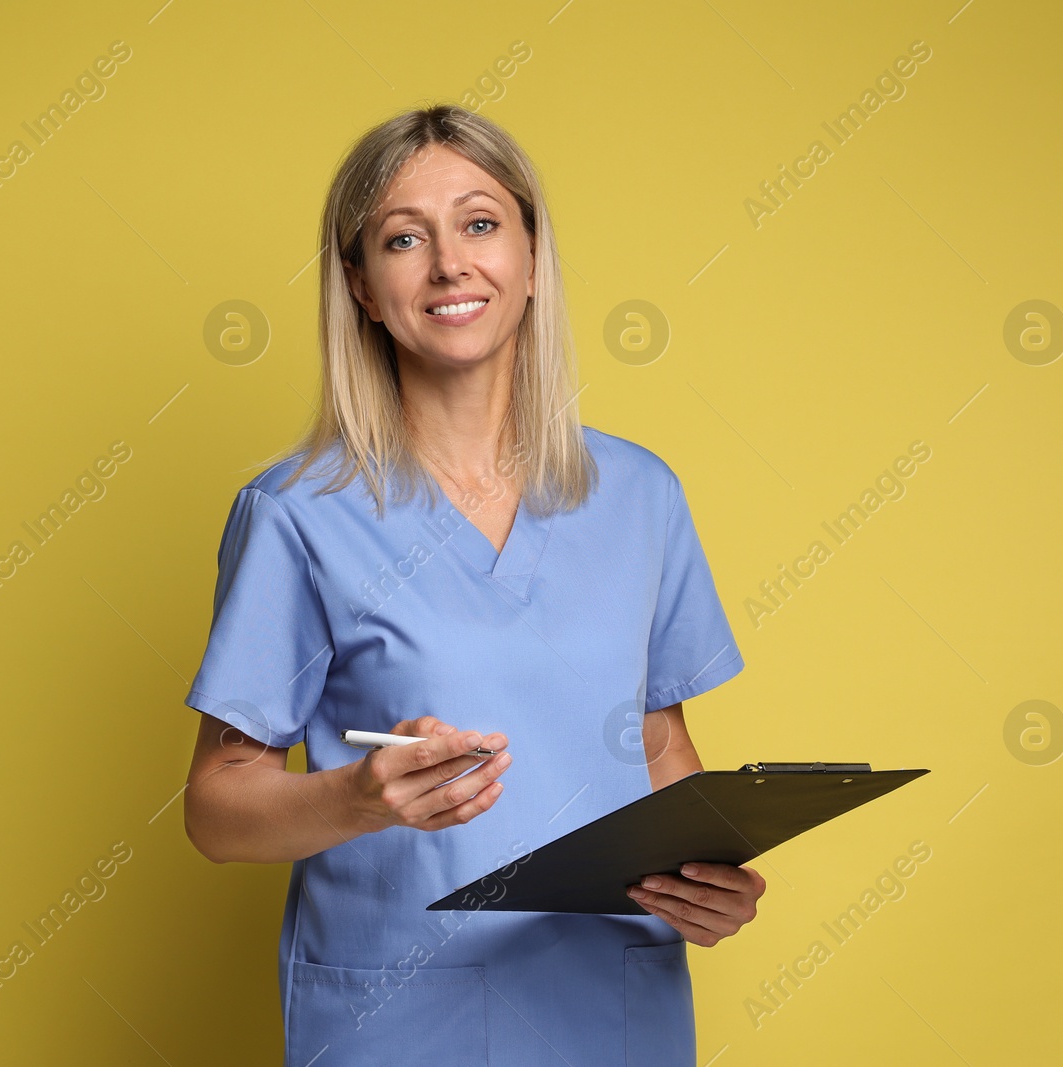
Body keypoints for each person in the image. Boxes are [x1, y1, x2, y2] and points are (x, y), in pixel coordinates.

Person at [182, 103, 765, 1066]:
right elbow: (215, 804)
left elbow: (659, 745)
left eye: (482, 223)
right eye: (403, 238)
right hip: (399, 1010)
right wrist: (363, 798)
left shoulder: (638, 494)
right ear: (363, 288)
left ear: (532, 262)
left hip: (610, 1001)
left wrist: (712, 876)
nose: (451, 263)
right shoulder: (296, 513)